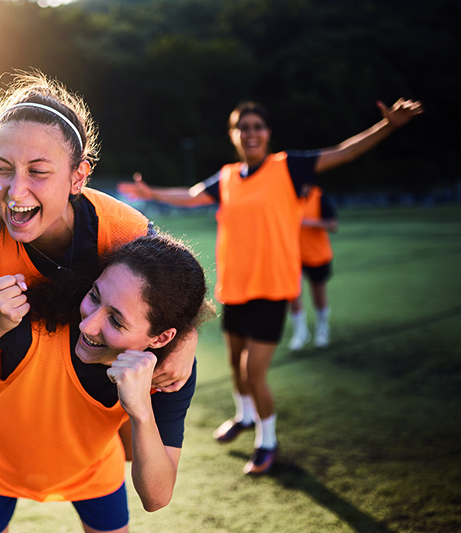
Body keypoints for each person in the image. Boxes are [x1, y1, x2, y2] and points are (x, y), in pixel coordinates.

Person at [0, 71, 199, 530]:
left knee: (141, 431)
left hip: (92, 375)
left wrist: (186, 342)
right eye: (1, 168)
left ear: (78, 176)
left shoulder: (123, 229)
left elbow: (176, 290)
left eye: (38, 171)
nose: (14, 190)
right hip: (1, 348)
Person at [117, 98, 423, 475]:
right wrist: (152, 194)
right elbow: (194, 195)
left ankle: (268, 441)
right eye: (242, 127)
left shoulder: (287, 167)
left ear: (268, 133)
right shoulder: (228, 176)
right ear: (234, 135)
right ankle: (244, 416)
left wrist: (388, 126)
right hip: (236, 289)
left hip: (273, 290)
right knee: (234, 364)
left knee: (252, 372)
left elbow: (343, 153)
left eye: (257, 126)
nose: (251, 133)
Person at [0, 234, 210, 532]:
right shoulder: (29, 323)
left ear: (161, 338)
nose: (87, 324)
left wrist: (141, 410)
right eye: (95, 296)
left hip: (92, 470)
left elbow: (157, 497)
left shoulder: (168, 373)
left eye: (116, 321)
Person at [288, 185, 338, 351]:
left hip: (318, 255)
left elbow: (333, 225)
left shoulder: (319, 196)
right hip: (294, 256)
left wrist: (307, 222)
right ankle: (301, 331)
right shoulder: (288, 195)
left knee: (319, 295)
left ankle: (322, 329)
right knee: (293, 294)